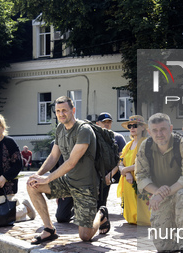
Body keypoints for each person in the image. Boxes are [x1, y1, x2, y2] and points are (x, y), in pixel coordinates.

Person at [26, 96, 110, 244]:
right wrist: (37, 175)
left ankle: (101, 214)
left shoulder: (84, 130)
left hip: (86, 186)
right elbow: (53, 156)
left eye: (64, 110)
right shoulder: (60, 129)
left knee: (85, 236)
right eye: (58, 111)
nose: (61, 114)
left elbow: (71, 162)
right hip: (69, 181)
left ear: (73, 110)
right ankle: (49, 229)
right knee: (32, 185)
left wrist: (47, 178)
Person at [135, 113, 183, 253]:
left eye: (163, 129)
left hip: (182, 190)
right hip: (160, 194)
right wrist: (157, 192)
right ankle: (182, 230)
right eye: (155, 130)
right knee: (163, 247)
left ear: (170, 128)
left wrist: (162, 193)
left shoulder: (182, 145)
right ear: (149, 132)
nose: (159, 134)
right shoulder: (145, 147)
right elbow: (141, 177)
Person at [117, 115, 151, 225]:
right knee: (131, 217)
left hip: (142, 182)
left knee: (145, 217)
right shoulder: (128, 145)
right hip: (128, 181)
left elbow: (144, 163)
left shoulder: (147, 143)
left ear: (142, 128)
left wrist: (126, 170)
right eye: (130, 126)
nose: (132, 128)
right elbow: (121, 162)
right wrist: (126, 172)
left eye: (135, 126)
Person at [95, 112, 126, 209]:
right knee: (99, 205)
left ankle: (127, 203)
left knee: (129, 173)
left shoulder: (118, 138)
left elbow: (122, 159)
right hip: (99, 172)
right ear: (97, 124)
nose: (107, 124)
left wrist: (111, 173)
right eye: (104, 122)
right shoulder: (93, 138)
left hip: (115, 170)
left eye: (109, 122)